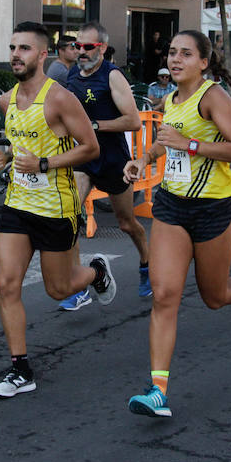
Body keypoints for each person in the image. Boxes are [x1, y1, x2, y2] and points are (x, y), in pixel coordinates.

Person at [122, 30, 231, 418]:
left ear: (204, 61)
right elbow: (169, 140)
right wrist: (145, 159)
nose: (176, 59)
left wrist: (190, 145)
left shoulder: (213, 96)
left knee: (214, 297)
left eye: (186, 53)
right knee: (165, 294)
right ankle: (157, 390)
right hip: (171, 205)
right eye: (172, 52)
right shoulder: (171, 99)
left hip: (213, 209)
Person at [0, 21, 115, 399]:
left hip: (55, 208)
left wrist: (43, 164)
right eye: (12, 47)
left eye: (24, 48)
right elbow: (16, 143)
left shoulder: (59, 98)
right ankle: (20, 369)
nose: (15, 55)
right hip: (17, 205)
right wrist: (4, 156)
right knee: (7, 285)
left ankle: (95, 272)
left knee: (59, 289)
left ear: (42, 54)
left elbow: (91, 148)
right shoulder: (7, 100)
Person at [60, 21, 152, 308]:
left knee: (126, 223)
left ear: (102, 48)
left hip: (114, 160)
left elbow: (134, 121)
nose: (81, 51)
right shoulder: (73, 74)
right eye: (78, 46)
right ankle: (78, 283)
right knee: (69, 216)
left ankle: (147, 264)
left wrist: (94, 125)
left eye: (88, 47)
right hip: (84, 158)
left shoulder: (113, 76)